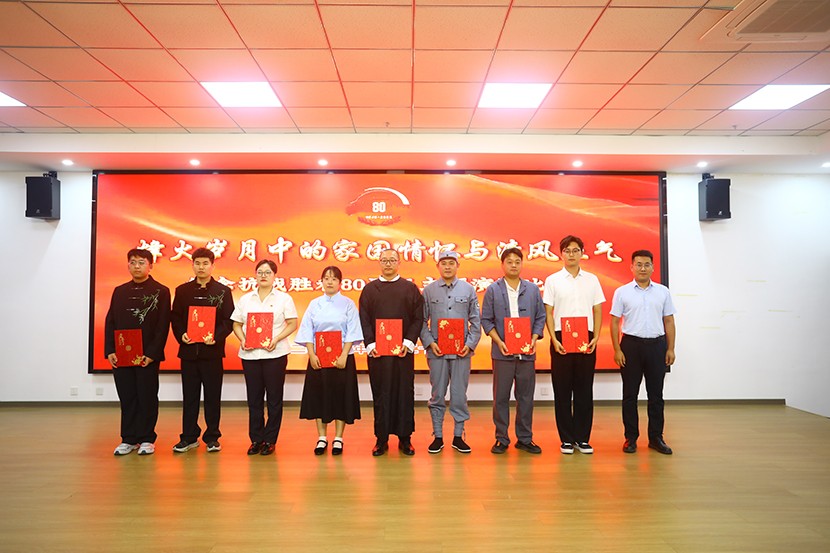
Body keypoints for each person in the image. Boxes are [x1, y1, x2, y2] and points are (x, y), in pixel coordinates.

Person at [610, 249, 677, 455]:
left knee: (656, 395)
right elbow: (614, 322)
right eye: (638, 264)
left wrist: (671, 348)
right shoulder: (622, 292)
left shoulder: (663, 292)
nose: (642, 268)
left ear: (653, 267)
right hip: (631, 346)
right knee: (630, 395)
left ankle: (656, 437)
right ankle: (630, 438)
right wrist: (617, 349)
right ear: (631, 267)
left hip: (657, 346)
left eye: (647, 264)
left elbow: (669, 320)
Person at [105, 248, 171, 456]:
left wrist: (152, 353)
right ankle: (128, 438)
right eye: (132, 262)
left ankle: (147, 438)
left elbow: (162, 326)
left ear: (150, 266)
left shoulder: (161, 291)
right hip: (122, 354)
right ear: (128, 265)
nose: (136, 266)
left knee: (147, 396)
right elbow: (110, 321)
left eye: (141, 262)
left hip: (146, 357)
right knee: (127, 396)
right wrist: (110, 350)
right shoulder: (120, 291)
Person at [543, 235, 606, 455]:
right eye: (567, 250)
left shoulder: (592, 280)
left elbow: (597, 310)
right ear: (561, 254)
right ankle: (566, 440)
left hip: (586, 338)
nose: (571, 254)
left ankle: (582, 438)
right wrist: (553, 339)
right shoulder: (553, 280)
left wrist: (596, 336)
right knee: (562, 390)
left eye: (575, 250)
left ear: (582, 253)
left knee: (584, 390)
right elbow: (548, 312)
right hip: (561, 337)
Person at [359, 248, 424, 456]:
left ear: (399, 262)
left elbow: (418, 318)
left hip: (403, 352)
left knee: (404, 392)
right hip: (378, 354)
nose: (388, 264)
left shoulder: (410, 288)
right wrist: (371, 344)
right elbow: (364, 319)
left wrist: (409, 342)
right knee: (381, 393)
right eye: (384, 260)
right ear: (379, 262)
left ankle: (405, 438)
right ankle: (381, 438)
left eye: (392, 260)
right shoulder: (369, 290)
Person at [481, 247, 546, 455]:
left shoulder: (532, 289)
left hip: (527, 353)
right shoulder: (493, 290)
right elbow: (486, 320)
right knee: (501, 397)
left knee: (526, 397)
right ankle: (501, 438)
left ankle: (525, 438)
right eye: (509, 261)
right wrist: (499, 342)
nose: (514, 265)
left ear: (522, 264)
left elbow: (540, 317)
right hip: (502, 353)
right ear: (502, 265)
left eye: (517, 261)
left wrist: (534, 338)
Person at [170, 247, 234, 454]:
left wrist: (215, 336)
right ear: (192, 265)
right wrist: (181, 335)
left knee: (213, 397)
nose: (201, 267)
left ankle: (212, 437)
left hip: (212, 353)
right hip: (189, 353)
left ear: (212, 266)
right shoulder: (183, 291)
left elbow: (228, 321)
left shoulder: (223, 291)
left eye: (205, 263)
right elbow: (176, 318)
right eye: (197, 263)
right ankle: (188, 437)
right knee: (189, 397)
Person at [231, 259, 297, 456]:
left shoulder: (284, 298)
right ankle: (256, 439)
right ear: (255, 275)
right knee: (254, 399)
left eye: (268, 272)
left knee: (274, 399)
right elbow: (236, 324)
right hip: (250, 355)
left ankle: (270, 440)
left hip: (275, 354)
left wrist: (276, 338)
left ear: (275, 276)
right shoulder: (246, 299)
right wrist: (243, 339)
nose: (263, 275)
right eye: (260, 272)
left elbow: (292, 323)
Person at [295, 266, 363, 456]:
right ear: (322, 281)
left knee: (341, 396)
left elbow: (353, 331)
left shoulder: (348, 304)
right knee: (319, 395)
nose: (329, 282)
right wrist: (311, 354)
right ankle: (322, 437)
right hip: (319, 357)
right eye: (326, 278)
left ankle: (339, 438)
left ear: (340, 282)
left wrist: (344, 355)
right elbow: (307, 330)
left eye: (333, 279)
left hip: (342, 358)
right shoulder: (314, 304)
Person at [420, 251, 481, 454]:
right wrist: (430, 343)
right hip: (437, 352)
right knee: (437, 394)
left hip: (461, 353)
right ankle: (437, 436)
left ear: (457, 266)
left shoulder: (468, 289)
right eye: (444, 263)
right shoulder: (429, 291)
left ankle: (458, 436)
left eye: (451, 263)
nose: (447, 266)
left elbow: (476, 321)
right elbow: (421, 321)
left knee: (459, 395)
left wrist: (469, 345)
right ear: (438, 266)